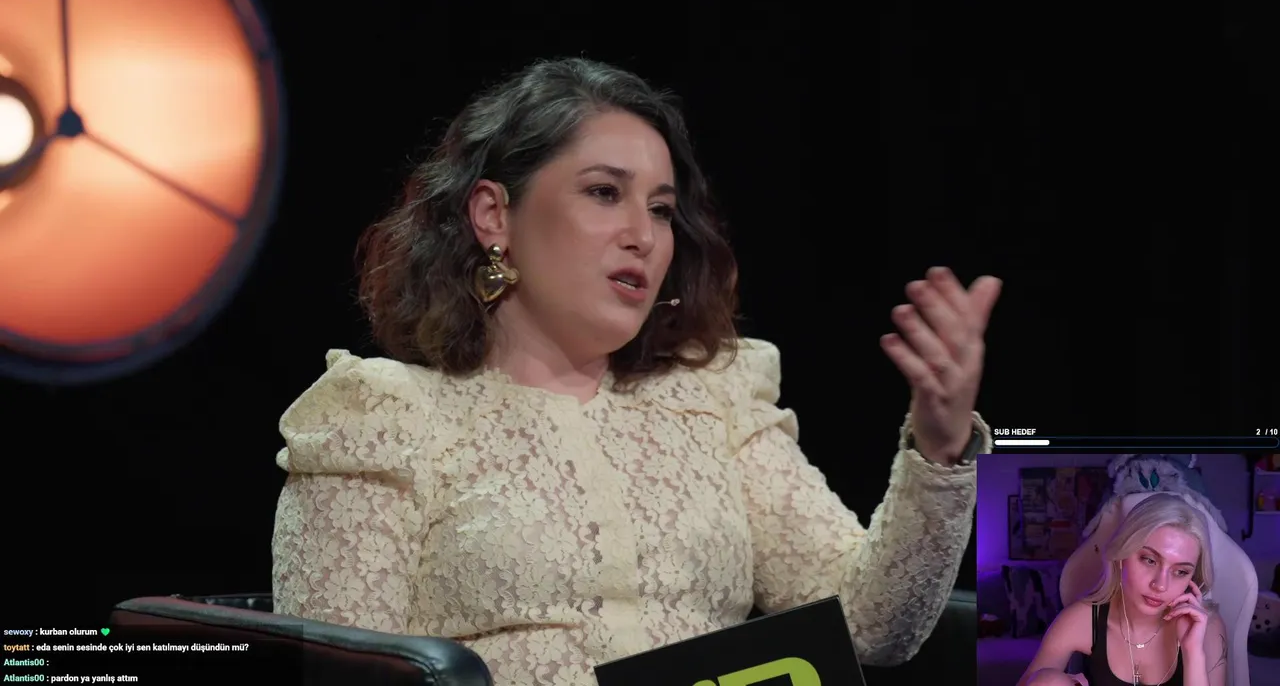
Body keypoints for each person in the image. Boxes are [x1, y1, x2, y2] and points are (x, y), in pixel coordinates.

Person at [270, 57, 1003, 685]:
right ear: (494, 215)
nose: (643, 236)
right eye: (603, 193)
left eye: (659, 209)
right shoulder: (382, 416)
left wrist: (939, 450)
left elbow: (872, 626)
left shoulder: (712, 397)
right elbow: (344, 676)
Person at [1017, 493, 1229, 686]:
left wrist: (1193, 653)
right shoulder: (1082, 619)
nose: (1160, 585)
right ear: (1121, 555)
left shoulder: (1206, 627)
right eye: (1149, 560)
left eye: (1181, 572)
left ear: (1193, 578)